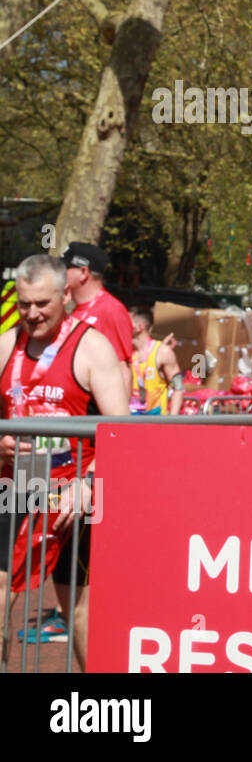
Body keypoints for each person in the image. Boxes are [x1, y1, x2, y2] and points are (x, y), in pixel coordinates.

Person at [0, 254, 128, 668]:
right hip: (14, 486)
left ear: (65, 296)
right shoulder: (5, 345)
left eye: (42, 304)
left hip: (75, 491)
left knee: (79, 608)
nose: (32, 314)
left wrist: (88, 484)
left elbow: (122, 432)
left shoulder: (92, 347)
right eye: (24, 304)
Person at [62, 242, 133, 399]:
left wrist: (118, 422)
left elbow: (123, 369)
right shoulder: (75, 309)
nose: (60, 274)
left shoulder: (111, 309)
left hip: (95, 414)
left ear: (83, 272)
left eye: (65, 268)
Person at [128, 305, 183, 415]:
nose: (120, 325)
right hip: (130, 421)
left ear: (139, 327)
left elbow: (178, 388)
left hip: (156, 421)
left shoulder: (163, 352)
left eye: (126, 322)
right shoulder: (124, 351)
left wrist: (172, 421)